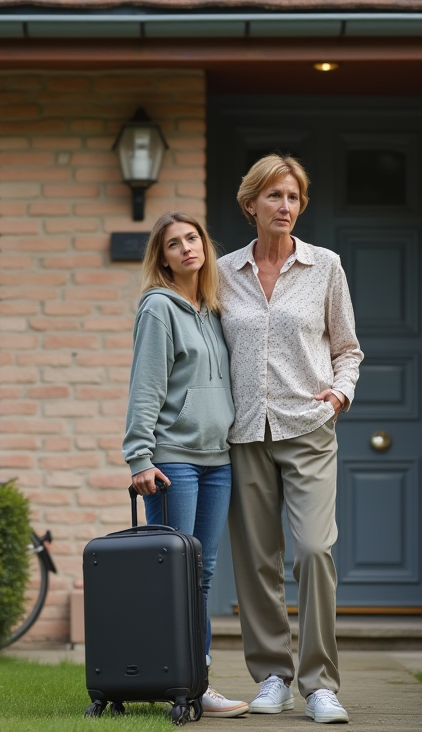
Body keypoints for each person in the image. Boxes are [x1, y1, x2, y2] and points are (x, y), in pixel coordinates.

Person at [217, 155, 363, 725]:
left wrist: (338, 395)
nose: (284, 206)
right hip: (245, 431)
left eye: (293, 197)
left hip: (307, 428)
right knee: (255, 561)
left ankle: (320, 683)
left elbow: (347, 347)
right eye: (273, 196)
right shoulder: (224, 272)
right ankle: (272, 675)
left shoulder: (324, 266)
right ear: (250, 203)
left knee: (313, 550)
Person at [122, 211, 250, 719]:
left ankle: (191, 679)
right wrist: (139, 457)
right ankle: (183, 681)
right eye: (174, 244)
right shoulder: (159, 309)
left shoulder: (214, 309)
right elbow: (146, 386)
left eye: (192, 238)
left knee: (201, 573)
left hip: (218, 460)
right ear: (163, 257)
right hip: (175, 460)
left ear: (204, 245)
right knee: (175, 573)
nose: (186, 249)